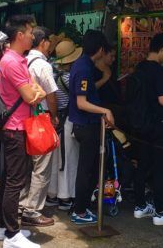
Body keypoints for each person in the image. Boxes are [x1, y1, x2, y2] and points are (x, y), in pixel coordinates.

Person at [0, 15, 45, 248]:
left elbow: (35, 89)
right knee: (15, 181)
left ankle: (3, 227)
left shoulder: (16, 59)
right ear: (19, 35)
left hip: (15, 126)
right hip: (15, 128)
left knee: (9, 180)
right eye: (29, 32)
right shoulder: (13, 62)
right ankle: (11, 235)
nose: (32, 36)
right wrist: (36, 92)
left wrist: (36, 91)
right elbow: (31, 95)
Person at [129, 33, 163, 225]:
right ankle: (160, 212)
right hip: (160, 127)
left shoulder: (140, 68)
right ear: (162, 49)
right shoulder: (159, 71)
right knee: (160, 169)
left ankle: (140, 206)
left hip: (143, 127)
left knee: (143, 166)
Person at [69, 30, 115, 225]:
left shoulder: (83, 64)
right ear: (100, 49)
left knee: (90, 167)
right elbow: (82, 102)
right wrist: (105, 110)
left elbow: (88, 91)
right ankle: (79, 210)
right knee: (86, 169)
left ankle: (82, 206)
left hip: (86, 124)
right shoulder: (84, 68)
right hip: (86, 125)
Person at [19, 27, 59, 227]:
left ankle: (22, 203)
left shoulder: (23, 60)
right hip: (40, 118)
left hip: (24, 119)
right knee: (41, 166)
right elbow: (51, 94)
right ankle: (32, 210)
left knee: (27, 165)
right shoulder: (43, 65)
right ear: (43, 42)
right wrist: (54, 116)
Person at [47, 39, 82, 212]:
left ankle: (52, 194)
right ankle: (65, 196)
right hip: (68, 121)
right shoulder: (69, 78)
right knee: (68, 160)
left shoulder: (53, 76)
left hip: (55, 121)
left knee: (55, 161)